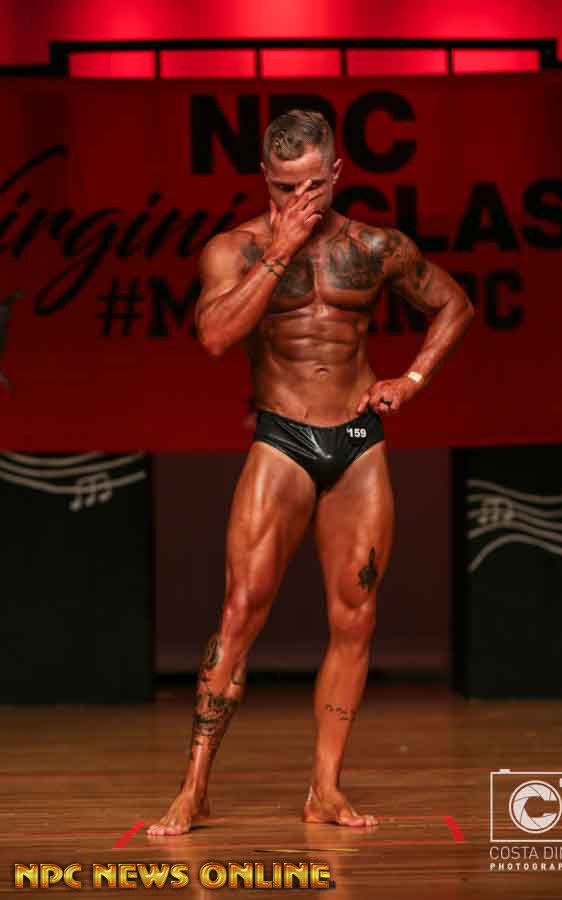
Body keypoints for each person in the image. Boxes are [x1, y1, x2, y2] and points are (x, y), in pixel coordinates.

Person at [147, 109, 475, 835]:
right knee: (240, 612)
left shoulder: (375, 247)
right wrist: (281, 249)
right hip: (283, 437)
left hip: (357, 440)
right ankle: (193, 789)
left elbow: (454, 304)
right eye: (285, 186)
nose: (300, 198)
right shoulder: (233, 249)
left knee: (355, 617)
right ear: (264, 177)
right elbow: (213, 336)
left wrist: (412, 379)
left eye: (313, 185)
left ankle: (325, 789)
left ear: (336, 173)